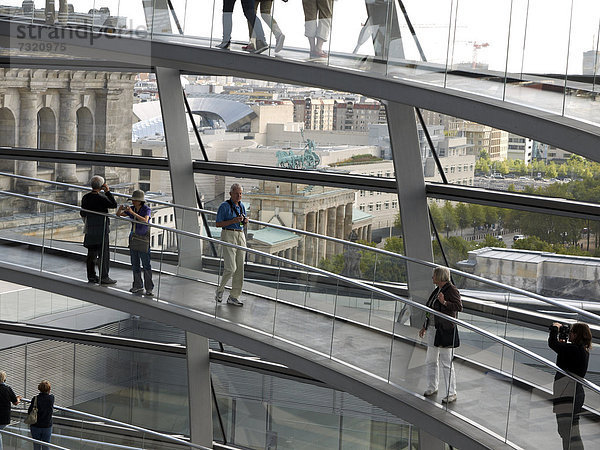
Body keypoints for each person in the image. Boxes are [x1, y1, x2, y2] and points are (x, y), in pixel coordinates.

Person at [418, 266, 462, 404]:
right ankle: (432, 387)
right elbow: (430, 309)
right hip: (433, 329)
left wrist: (444, 302)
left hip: (444, 331)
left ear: (440, 277)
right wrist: (425, 326)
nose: (432, 278)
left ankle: (451, 392)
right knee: (431, 360)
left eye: (434, 276)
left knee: (446, 362)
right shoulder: (438, 290)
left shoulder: (451, 290)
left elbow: (458, 306)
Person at [549, 322, 592, 450]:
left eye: (572, 332)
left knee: (568, 432)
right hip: (571, 392)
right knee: (567, 431)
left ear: (577, 334)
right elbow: (563, 354)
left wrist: (555, 329)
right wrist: (562, 340)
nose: (570, 334)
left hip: (568, 394)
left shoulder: (574, 349)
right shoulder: (581, 349)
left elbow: (553, 344)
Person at [215, 183, 248, 307]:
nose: (239, 196)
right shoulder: (224, 206)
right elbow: (218, 224)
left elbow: (241, 224)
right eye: (236, 193)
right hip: (228, 234)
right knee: (231, 267)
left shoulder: (242, 206)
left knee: (240, 268)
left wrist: (244, 222)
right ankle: (220, 290)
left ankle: (234, 296)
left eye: (240, 193)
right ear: (230, 194)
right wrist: (232, 221)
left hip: (240, 235)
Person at [80, 176, 118, 285]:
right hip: (101, 229)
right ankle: (104, 277)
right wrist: (108, 192)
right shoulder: (101, 198)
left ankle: (91, 276)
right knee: (103, 254)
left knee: (91, 253)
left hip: (90, 228)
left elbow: (82, 213)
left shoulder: (86, 197)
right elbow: (113, 205)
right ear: (101, 186)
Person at [117, 190, 154, 297]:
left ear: (139, 201)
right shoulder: (132, 208)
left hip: (143, 239)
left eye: (134, 200)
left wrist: (133, 213)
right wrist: (120, 210)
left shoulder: (146, 209)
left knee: (146, 264)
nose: (132, 202)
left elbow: (145, 220)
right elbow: (119, 215)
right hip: (134, 238)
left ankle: (149, 288)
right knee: (135, 263)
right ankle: (138, 285)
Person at [28, 380, 54, 450]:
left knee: (36, 445)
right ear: (49, 389)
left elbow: (30, 411)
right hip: (47, 426)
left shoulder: (35, 398)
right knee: (46, 445)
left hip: (35, 425)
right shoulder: (51, 398)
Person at [0, 371, 21, 450]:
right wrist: (18, 398)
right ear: (4, 379)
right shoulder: (7, 389)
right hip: (4, 417)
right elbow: (15, 402)